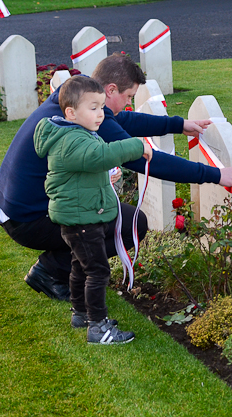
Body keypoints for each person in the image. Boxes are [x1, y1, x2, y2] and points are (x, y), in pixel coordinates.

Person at [0, 53, 232, 301]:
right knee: (131, 226)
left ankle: (55, 267)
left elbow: (121, 120)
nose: (128, 103)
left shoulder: (78, 96)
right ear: (111, 89)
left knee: (118, 218)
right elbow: (147, 160)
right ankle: (51, 271)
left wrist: (177, 124)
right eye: (128, 96)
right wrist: (216, 174)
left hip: (12, 206)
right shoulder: (90, 112)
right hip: (28, 219)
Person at [34, 75, 152, 343]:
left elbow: (89, 167)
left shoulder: (77, 133)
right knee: (97, 271)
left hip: (81, 214)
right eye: (94, 108)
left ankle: (81, 312)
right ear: (71, 112)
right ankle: (98, 327)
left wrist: (105, 176)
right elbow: (99, 156)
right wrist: (136, 145)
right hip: (82, 218)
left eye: (101, 107)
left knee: (80, 265)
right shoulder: (72, 140)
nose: (101, 114)